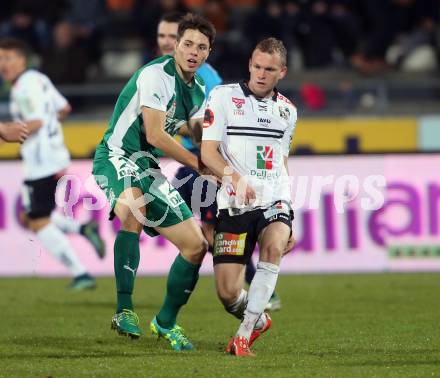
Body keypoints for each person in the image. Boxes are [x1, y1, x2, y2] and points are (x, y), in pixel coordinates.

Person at [92, 13, 216, 350]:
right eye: (187, 43)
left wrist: (219, 151)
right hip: (117, 156)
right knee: (134, 207)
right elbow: (157, 135)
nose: (193, 51)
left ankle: (165, 322)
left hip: (148, 168)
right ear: (176, 45)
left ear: (208, 54)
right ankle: (123, 308)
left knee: (196, 246)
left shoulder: (200, 87)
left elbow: (195, 130)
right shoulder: (156, 75)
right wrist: (201, 165)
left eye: (201, 47)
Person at [158, 11, 282, 311]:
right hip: (189, 165)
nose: (166, 42)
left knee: (213, 232)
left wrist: (174, 126)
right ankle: (247, 286)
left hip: (204, 165)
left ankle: (250, 290)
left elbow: (211, 127)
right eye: (161, 36)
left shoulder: (205, 76)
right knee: (204, 232)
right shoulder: (161, 73)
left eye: (173, 37)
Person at [201, 37, 296, 356]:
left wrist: (290, 211)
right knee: (227, 292)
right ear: (250, 65)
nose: (261, 74)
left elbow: (282, 162)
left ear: (281, 72)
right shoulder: (222, 97)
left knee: (273, 248)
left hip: (274, 200)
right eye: (257, 66)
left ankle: (242, 336)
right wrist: (235, 179)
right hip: (235, 203)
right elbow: (208, 152)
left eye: (269, 69)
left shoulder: (288, 110)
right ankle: (258, 319)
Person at [0, 38, 105, 290]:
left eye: (8, 58)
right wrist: (49, 126)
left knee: (37, 220)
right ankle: (82, 229)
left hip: (42, 162)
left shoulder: (23, 88)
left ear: (22, 60)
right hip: (55, 155)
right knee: (30, 215)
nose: (4, 64)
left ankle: (81, 274)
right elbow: (65, 108)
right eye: (1, 59)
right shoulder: (40, 79)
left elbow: (35, 121)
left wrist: (10, 131)